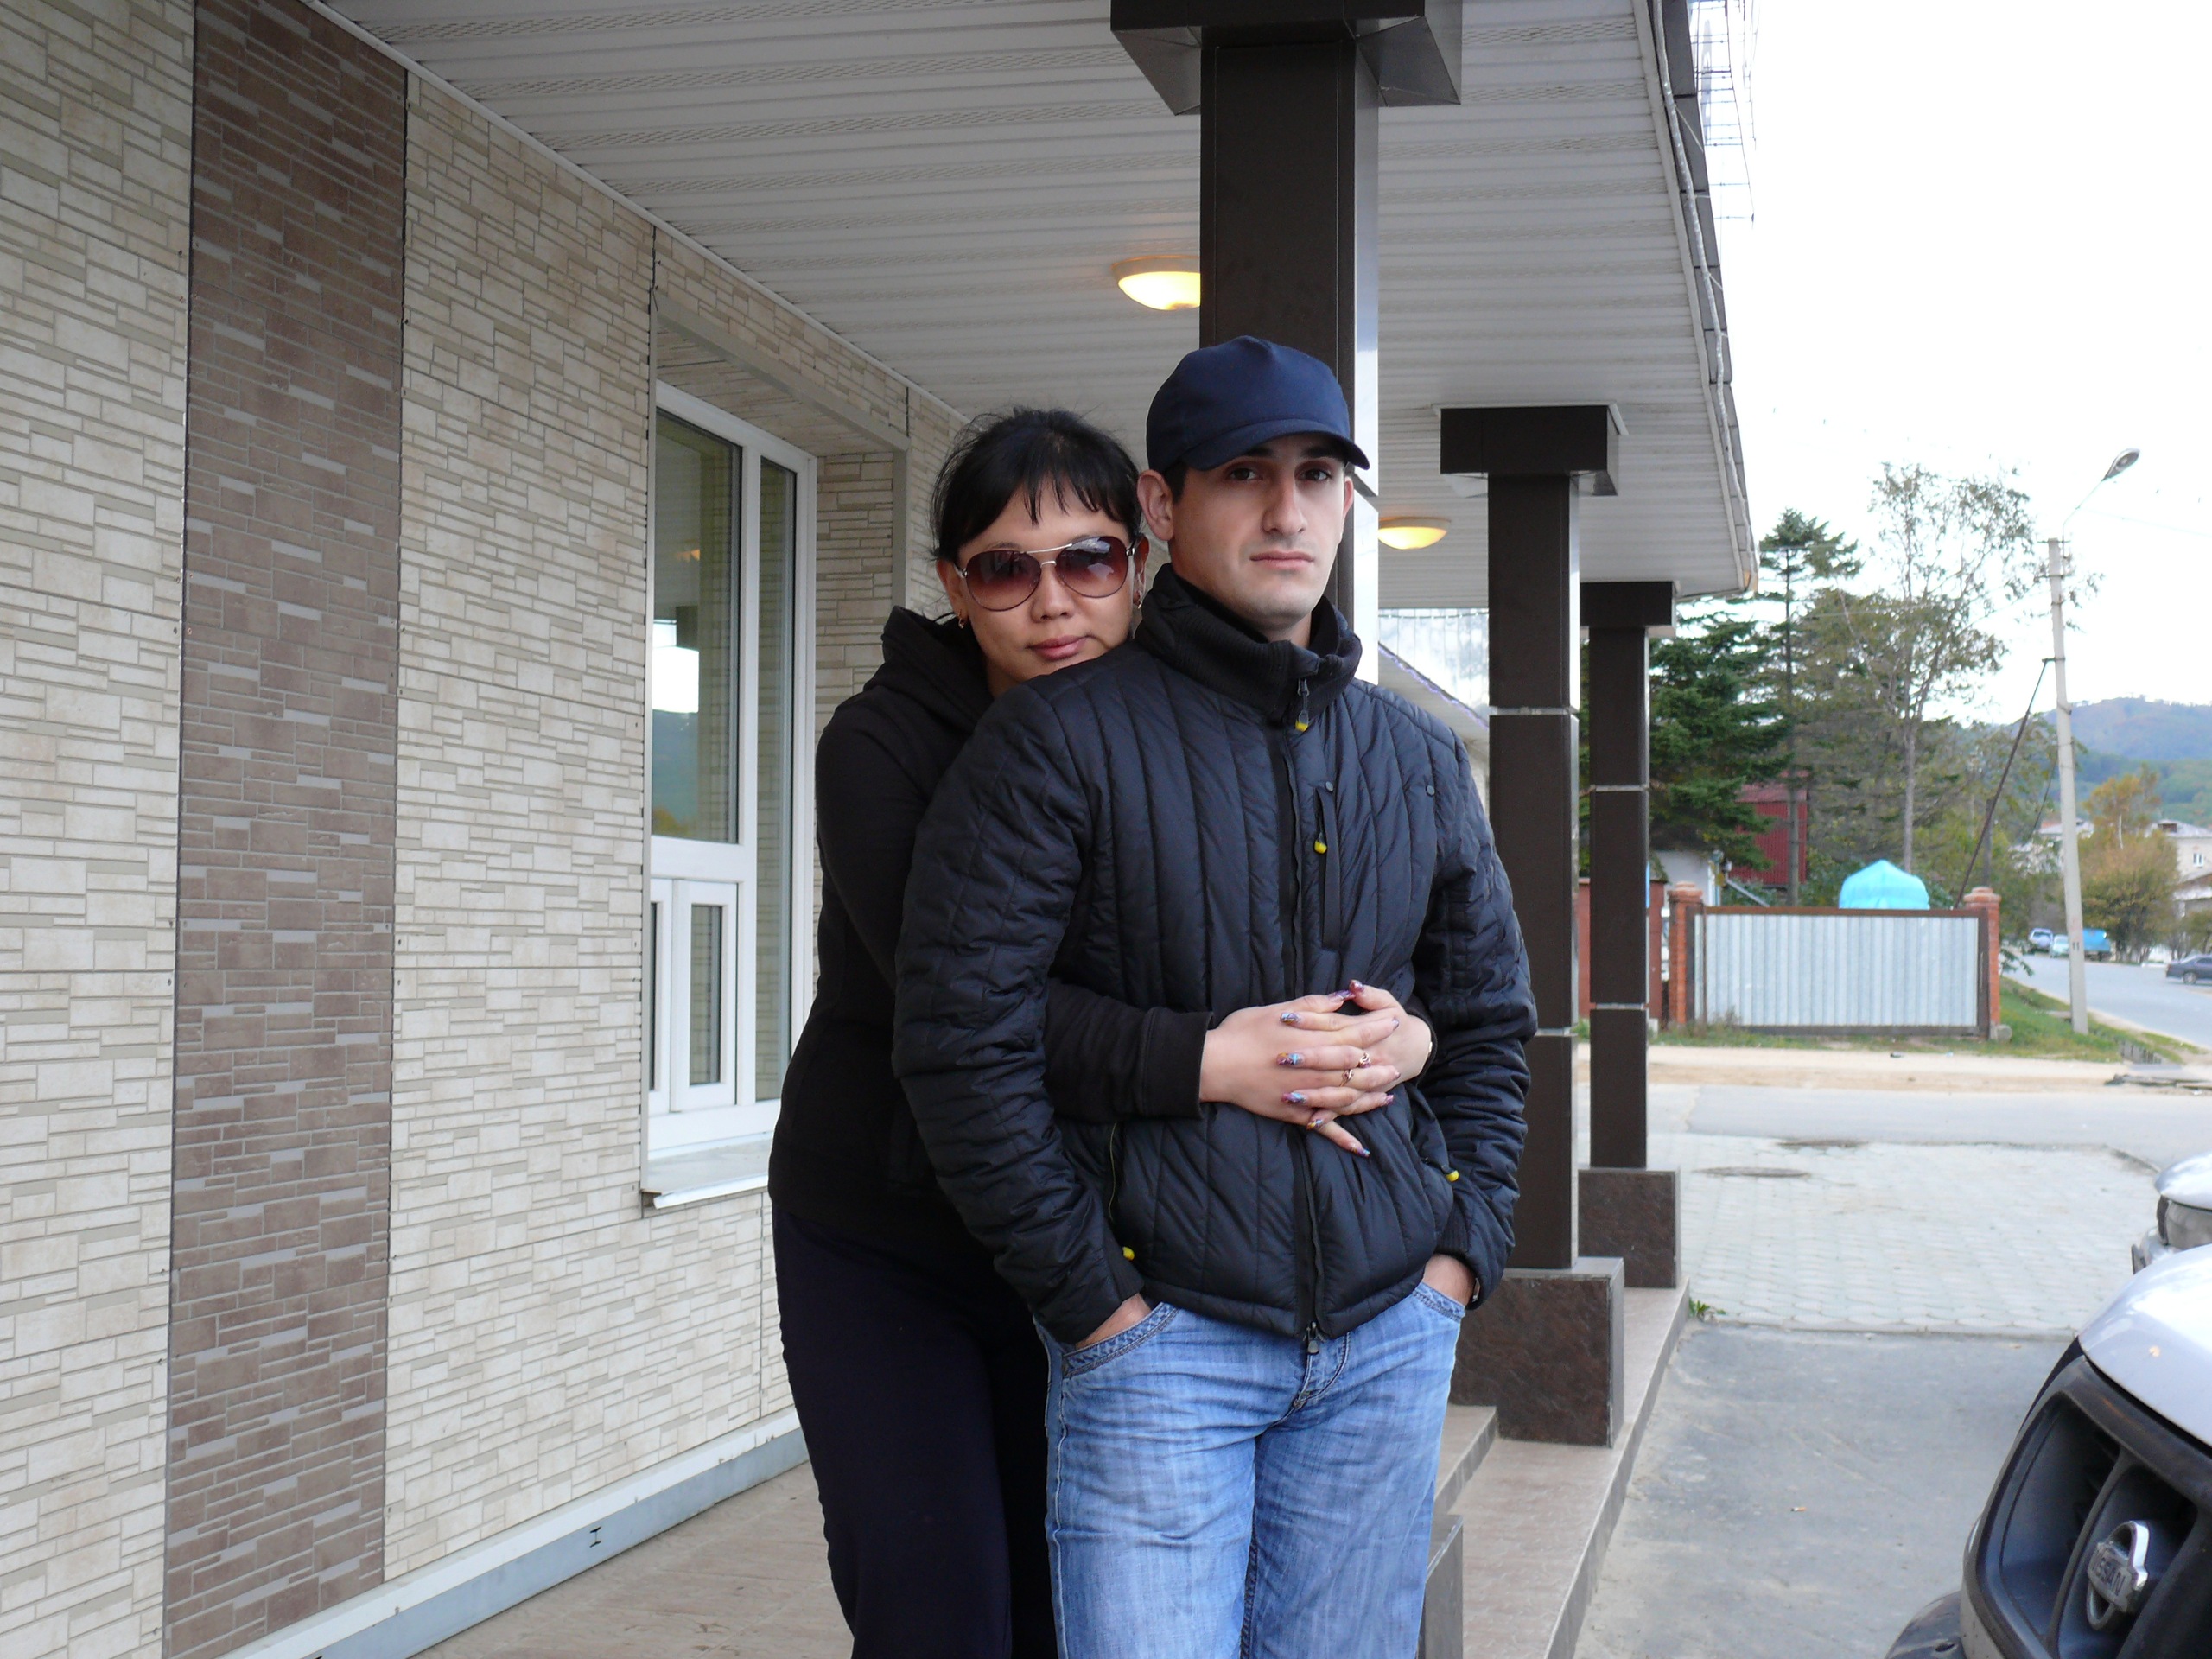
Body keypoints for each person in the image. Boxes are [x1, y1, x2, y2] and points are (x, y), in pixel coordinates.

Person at [893, 340, 1536, 1659]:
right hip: (1162, 1343)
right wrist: (1098, 1306)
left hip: (1388, 1336)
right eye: (1246, 474)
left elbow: (1487, 1023)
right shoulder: (1053, 741)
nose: (1288, 510)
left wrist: (1458, 1256)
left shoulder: (1415, 758)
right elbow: (962, 1043)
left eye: (1319, 476)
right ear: (1164, 505)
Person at [767, 406, 1433, 1659]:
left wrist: (1404, 1039)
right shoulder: (883, 744)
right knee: (935, 1602)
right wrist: (1213, 1061)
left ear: (1142, 556)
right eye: (1003, 570)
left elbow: (1313, 948)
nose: (1052, 603)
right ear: (954, 587)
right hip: (889, 1229)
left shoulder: (1178, 733)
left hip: (1091, 1222)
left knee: (1055, 1602)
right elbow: (966, 1013)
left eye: (1088, 559)